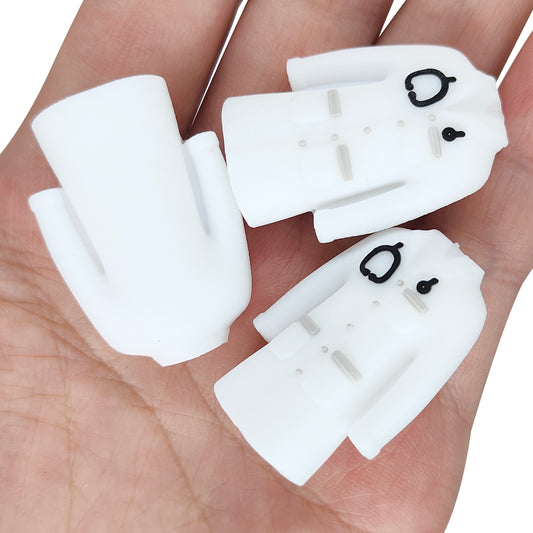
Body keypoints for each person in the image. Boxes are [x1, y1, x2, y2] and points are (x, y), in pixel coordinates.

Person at [0, 1, 531, 531]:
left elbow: (418, 366)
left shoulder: (461, 266)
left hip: (321, 373)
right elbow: (344, 271)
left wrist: (371, 426)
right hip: (304, 134)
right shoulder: (448, 91)